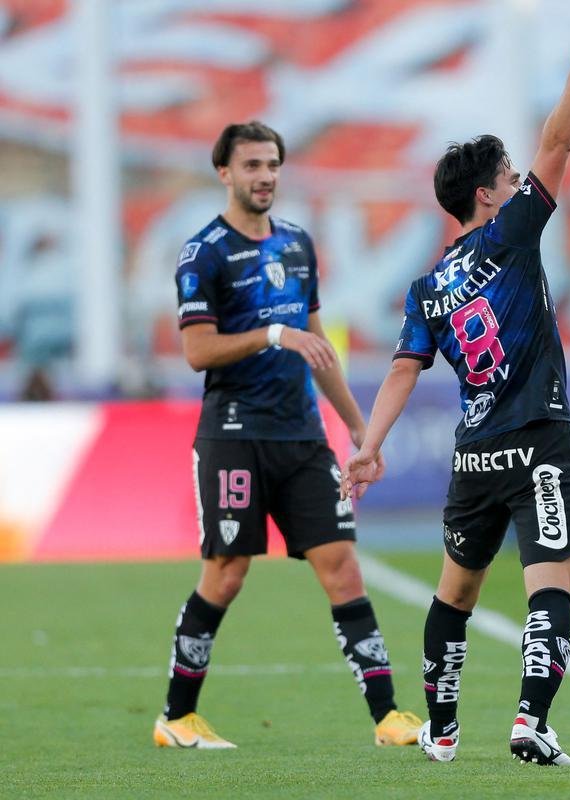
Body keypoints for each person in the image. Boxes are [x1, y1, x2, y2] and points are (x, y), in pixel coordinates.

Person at [340, 16, 570, 767]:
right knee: (551, 584)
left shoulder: (426, 289)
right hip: (541, 442)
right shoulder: (514, 233)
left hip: (476, 459)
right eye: (511, 176)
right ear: (488, 196)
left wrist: (367, 446)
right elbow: (561, 143)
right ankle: (529, 720)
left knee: (453, 594)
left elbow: (401, 369)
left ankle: (444, 729)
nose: (524, 180)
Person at [157, 121, 422, 749]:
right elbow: (197, 350)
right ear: (224, 173)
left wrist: (361, 433)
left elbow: (318, 348)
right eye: (251, 166)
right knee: (226, 573)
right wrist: (274, 334)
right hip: (233, 436)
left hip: (303, 438)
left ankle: (387, 716)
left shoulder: (299, 245)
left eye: (272, 164)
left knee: (343, 569)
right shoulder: (204, 253)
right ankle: (176, 715)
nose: (265, 176)